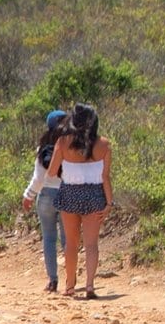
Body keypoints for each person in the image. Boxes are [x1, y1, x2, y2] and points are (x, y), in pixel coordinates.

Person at [45, 103, 112, 299]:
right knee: (92, 244)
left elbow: (51, 172)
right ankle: (90, 285)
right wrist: (109, 203)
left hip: (70, 193)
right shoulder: (104, 145)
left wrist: (68, 170)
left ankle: (70, 285)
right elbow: (105, 177)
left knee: (71, 244)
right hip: (95, 194)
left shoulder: (63, 142)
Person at [20, 109, 68, 293]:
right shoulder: (70, 147)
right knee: (67, 239)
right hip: (66, 195)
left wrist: (29, 195)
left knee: (49, 238)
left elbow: (39, 178)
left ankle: (52, 280)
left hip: (46, 195)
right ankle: (71, 279)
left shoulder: (43, 148)